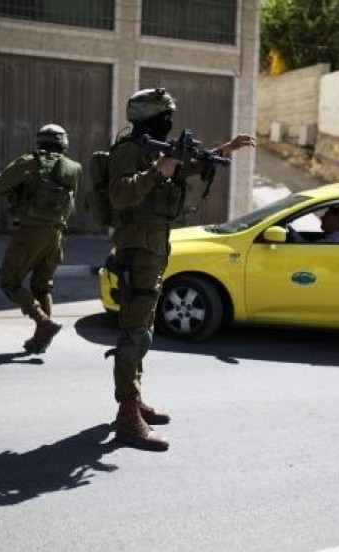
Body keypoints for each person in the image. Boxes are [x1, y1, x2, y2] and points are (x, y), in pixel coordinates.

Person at [107, 88, 255, 451]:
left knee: (144, 331)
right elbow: (119, 195)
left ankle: (134, 399)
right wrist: (157, 172)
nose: (169, 121)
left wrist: (226, 149)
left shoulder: (157, 148)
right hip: (137, 250)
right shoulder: (128, 151)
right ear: (149, 117)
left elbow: (192, 164)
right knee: (134, 334)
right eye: (164, 115)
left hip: (155, 248)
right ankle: (127, 416)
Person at [0, 124, 82, 354]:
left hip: (29, 233)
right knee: (43, 286)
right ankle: (41, 340)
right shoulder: (73, 168)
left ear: (40, 142)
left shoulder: (29, 162)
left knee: (9, 283)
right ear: (64, 144)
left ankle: (42, 321)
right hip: (56, 235)